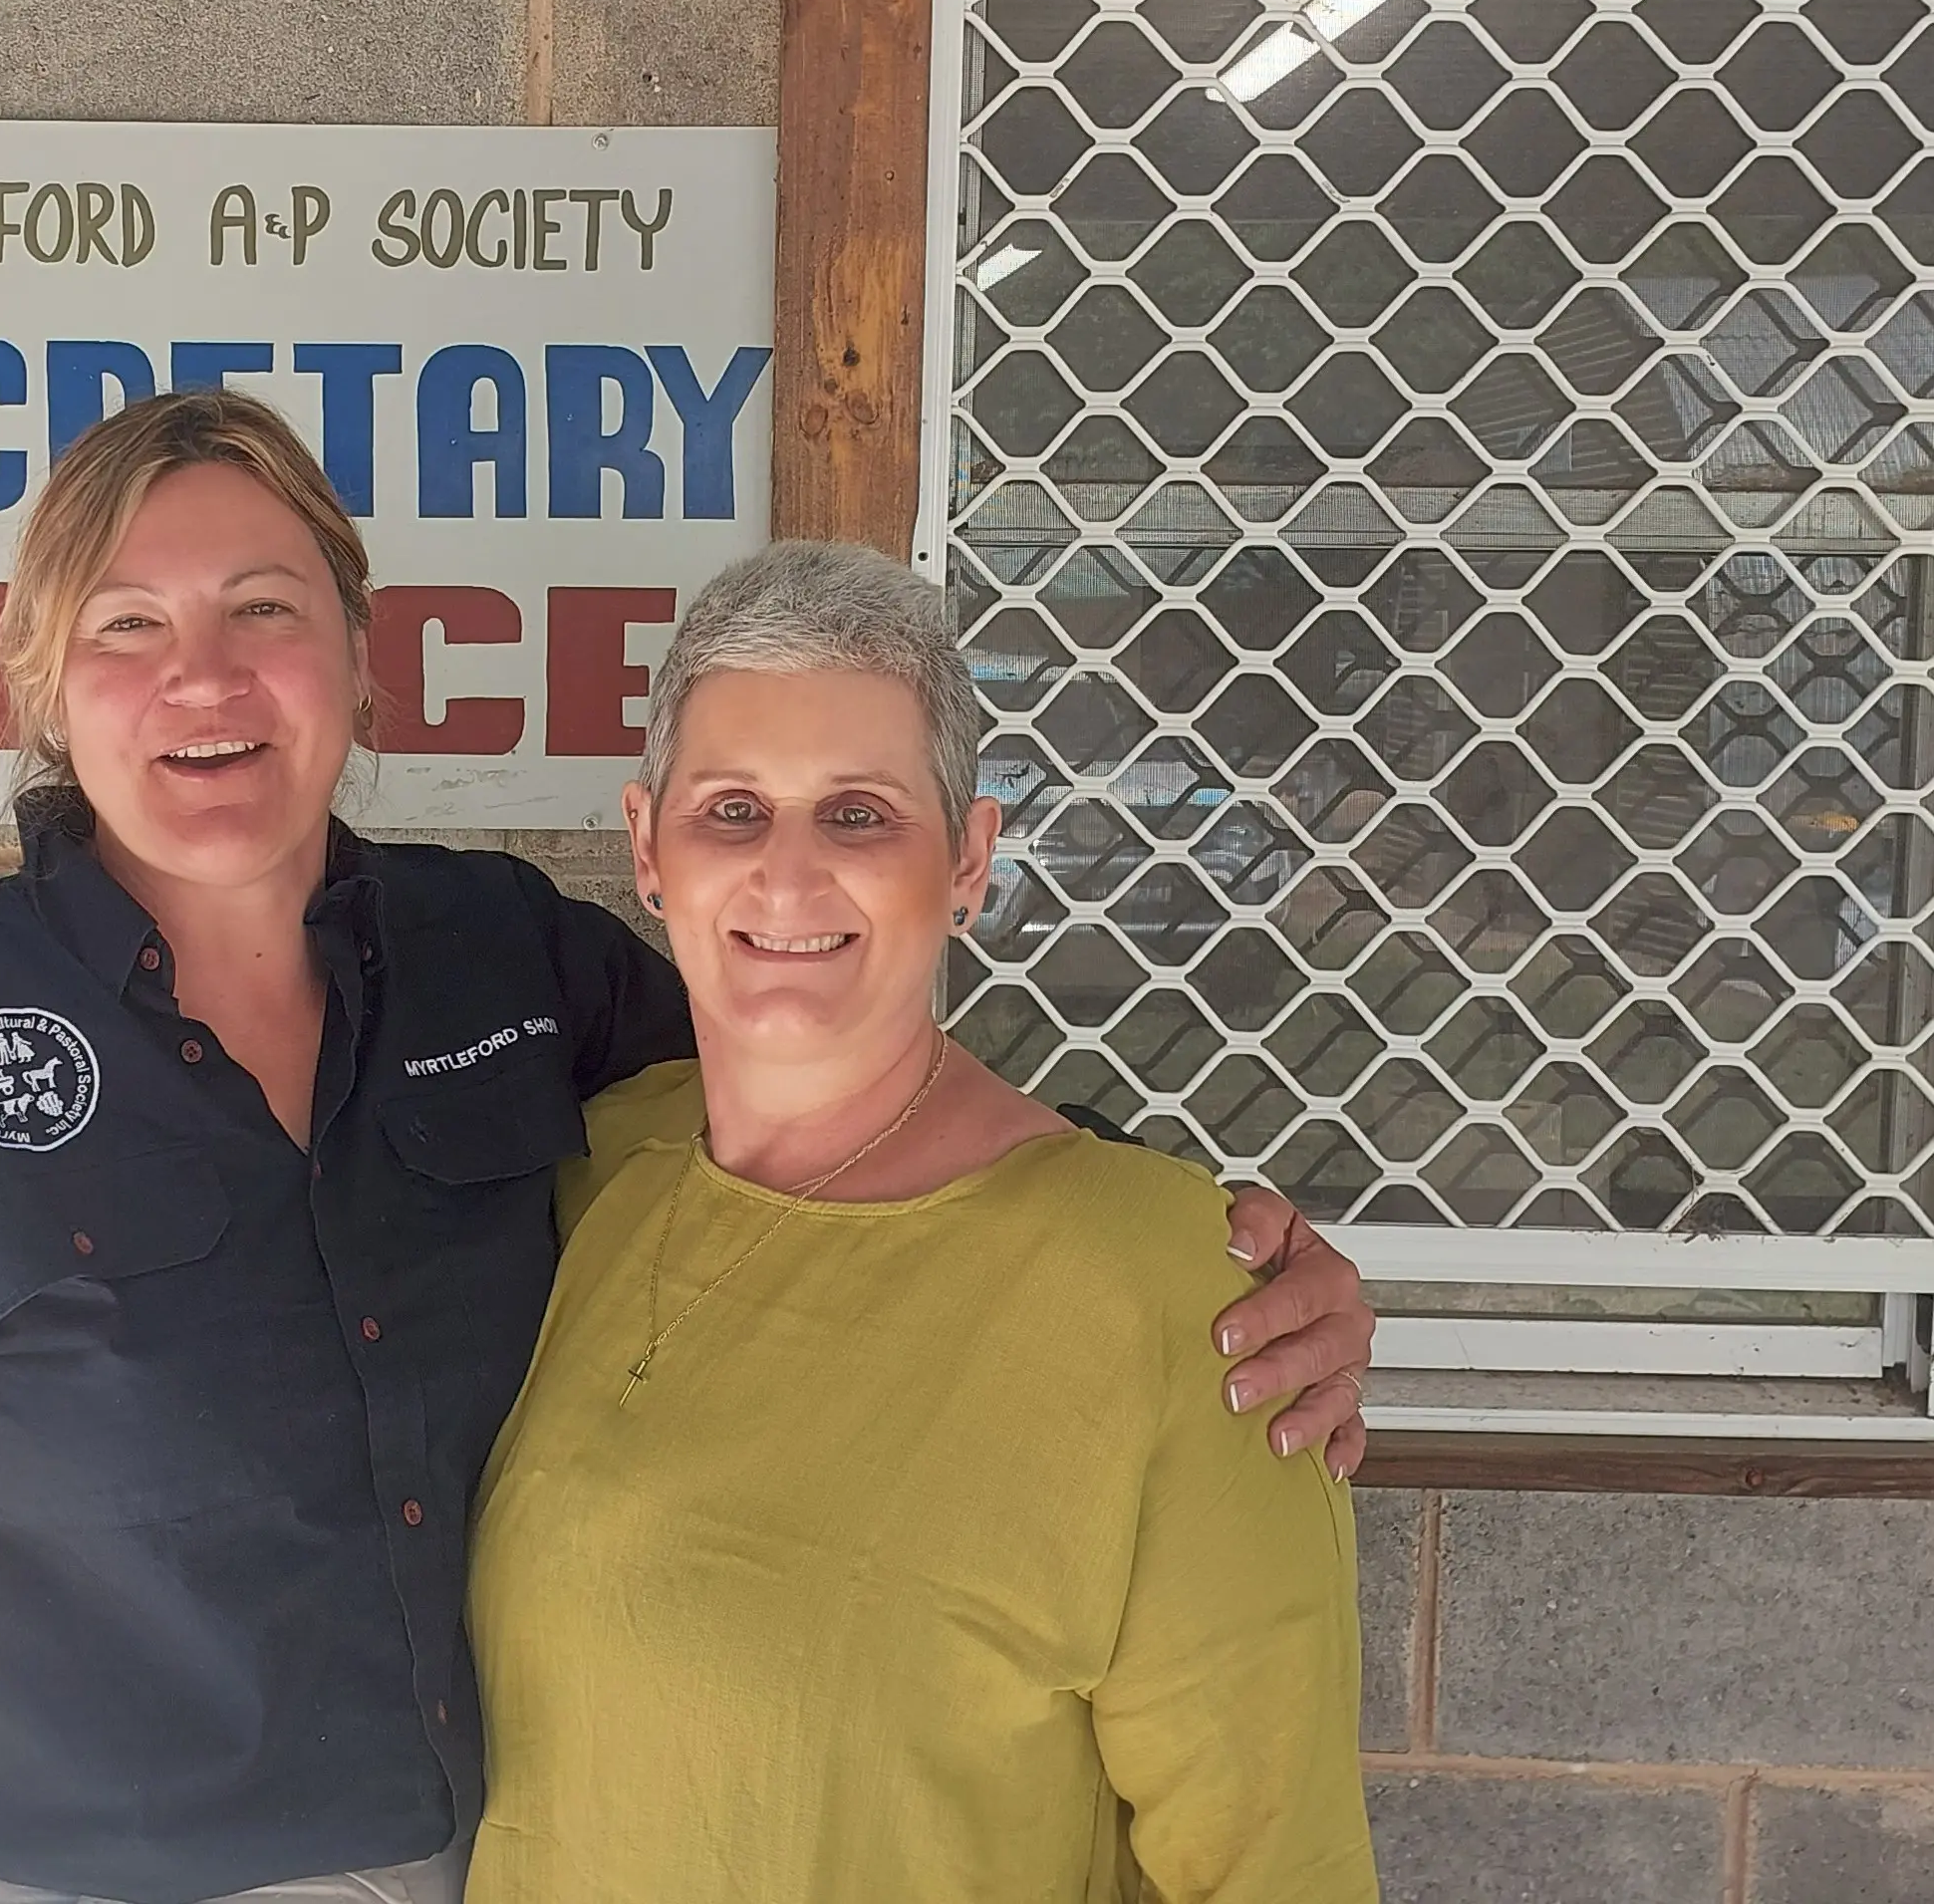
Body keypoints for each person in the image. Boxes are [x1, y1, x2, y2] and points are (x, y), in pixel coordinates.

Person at [0, 394, 1377, 1904]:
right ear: (47, 686)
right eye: (125, 625)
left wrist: (1193, 1245)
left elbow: (831, 1056)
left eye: (264, 610)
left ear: (362, 659)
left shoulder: (500, 964)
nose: (201, 677)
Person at [465, 540, 1377, 1904]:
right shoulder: (584, 1174)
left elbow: (1273, 1869)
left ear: (966, 857)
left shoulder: (1177, 1300)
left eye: (858, 815)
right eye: (731, 811)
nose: (786, 876)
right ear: (647, 849)